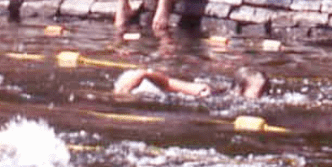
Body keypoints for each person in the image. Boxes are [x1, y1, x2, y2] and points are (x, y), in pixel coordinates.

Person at [114, 66, 268, 100]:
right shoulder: (205, 91)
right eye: (258, 93)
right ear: (240, 90)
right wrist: (144, 74)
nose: (263, 98)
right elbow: (167, 83)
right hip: (141, 82)